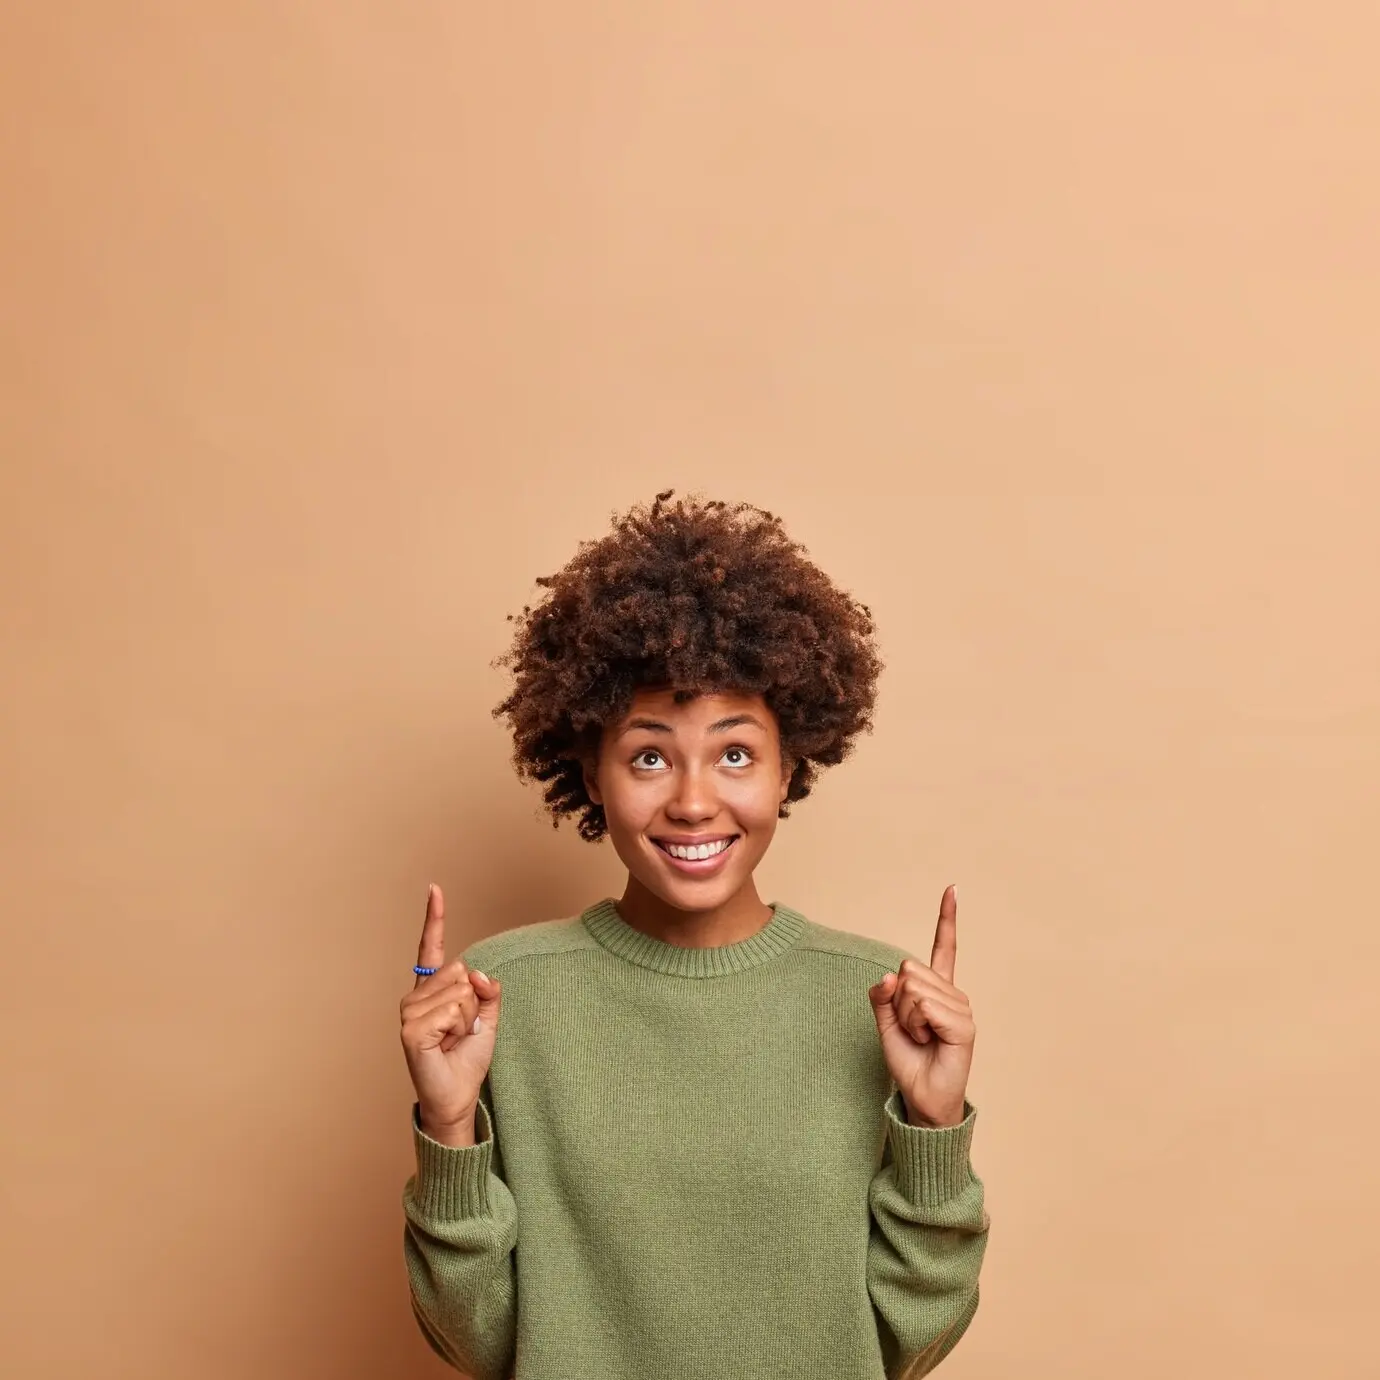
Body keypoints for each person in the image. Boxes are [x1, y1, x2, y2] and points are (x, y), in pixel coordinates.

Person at [398, 490, 989, 1380]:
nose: (692, 800)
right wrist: (448, 1126)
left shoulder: (879, 1004)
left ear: (793, 765)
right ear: (589, 773)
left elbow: (912, 1340)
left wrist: (934, 1124)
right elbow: (480, 1341)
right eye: (647, 755)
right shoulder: (498, 999)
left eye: (736, 753)